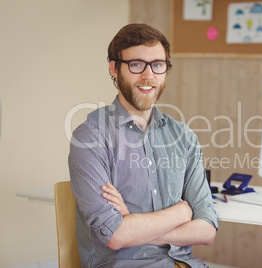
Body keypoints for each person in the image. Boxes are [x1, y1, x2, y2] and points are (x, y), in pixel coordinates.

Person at [68, 23, 218, 268]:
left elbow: (207, 230)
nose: (149, 76)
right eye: (136, 65)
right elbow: (115, 235)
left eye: (157, 65)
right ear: (114, 68)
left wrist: (134, 224)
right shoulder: (90, 137)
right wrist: (180, 213)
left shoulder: (183, 136)